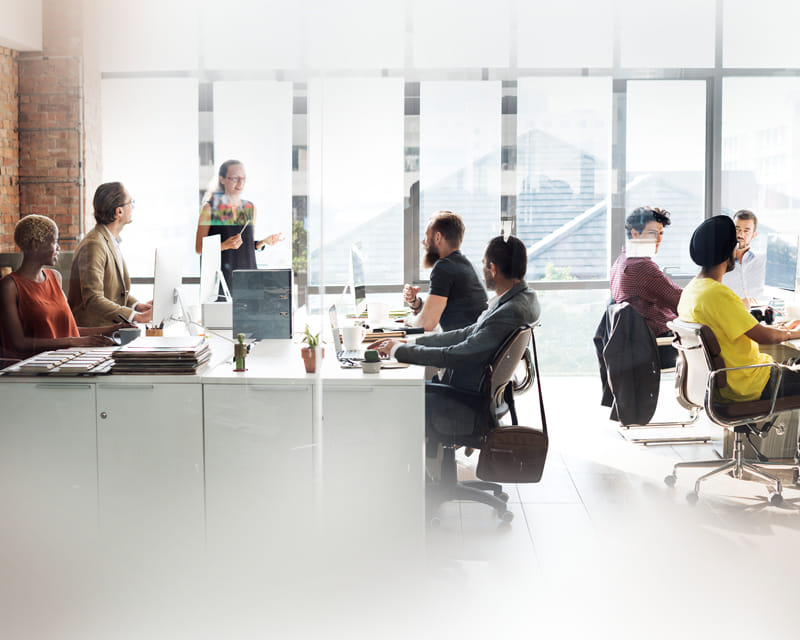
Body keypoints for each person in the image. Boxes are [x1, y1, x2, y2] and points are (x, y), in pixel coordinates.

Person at [371, 235, 540, 394]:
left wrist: (397, 350)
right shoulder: (524, 298)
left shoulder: (509, 312)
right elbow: (467, 333)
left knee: (394, 390)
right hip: (474, 390)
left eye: (484, 264)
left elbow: (457, 355)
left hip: (465, 398)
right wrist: (408, 342)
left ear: (493, 269)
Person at [678, 215, 800, 403]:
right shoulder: (717, 294)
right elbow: (766, 337)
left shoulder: (692, 290)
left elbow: (750, 329)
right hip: (752, 384)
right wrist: (794, 334)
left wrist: (784, 329)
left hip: (725, 385)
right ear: (729, 251)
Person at [0, 215, 118, 361]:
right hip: (32, 370)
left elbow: (69, 330)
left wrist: (112, 329)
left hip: (66, 361)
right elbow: (18, 343)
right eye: (54, 241)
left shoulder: (55, 277)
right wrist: (72, 341)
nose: (58, 247)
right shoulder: (10, 286)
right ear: (36, 245)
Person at [68, 182, 153, 326]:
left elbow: (112, 291)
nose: (132, 207)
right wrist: (137, 317)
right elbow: (93, 299)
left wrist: (136, 306)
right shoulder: (94, 244)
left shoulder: (109, 240)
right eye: (130, 202)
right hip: (95, 334)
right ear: (118, 211)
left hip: (109, 331)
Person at [194, 159, 283, 293]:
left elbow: (246, 246)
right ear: (222, 179)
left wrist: (262, 242)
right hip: (221, 282)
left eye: (243, 178)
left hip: (249, 280)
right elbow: (199, 248)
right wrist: (225, 245)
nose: (240, 183)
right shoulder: (211, 208)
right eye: (235, 178)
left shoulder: (249, 208)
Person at [402, 211, 488, 332]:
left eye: (426, 235)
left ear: (438, 237)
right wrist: (416, 302)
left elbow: (426, 324)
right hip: (473, 340)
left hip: (463, 345)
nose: (423, 242)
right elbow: (441, 306)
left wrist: (409, 320)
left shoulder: (444, 266)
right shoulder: (464, 264)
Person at [610, 206, 682, 340]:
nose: (659, 240)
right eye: (652, 233)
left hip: (643, 342)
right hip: (661, 342)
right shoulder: (641, 266)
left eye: (661, 233)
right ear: (635, 233)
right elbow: (680, 300)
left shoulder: (621, 262)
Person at [721, 209, 766, 306]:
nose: (740, 235)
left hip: (760, 314)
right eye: (737, 229)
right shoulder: (718, 263)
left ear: (754, 235)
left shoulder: (763, 261)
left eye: (746, 231)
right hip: (729, 314)